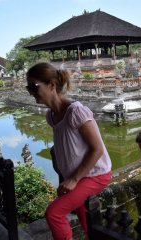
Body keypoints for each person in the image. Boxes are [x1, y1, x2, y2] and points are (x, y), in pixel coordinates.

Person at [26, 62, 112, 240]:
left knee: (54, 213)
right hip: (77, 176)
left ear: (52, 85)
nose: (31, 92)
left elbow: (97, 149)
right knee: (84, 219)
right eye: (29, 88)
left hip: (95, 174)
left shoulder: (76, 111)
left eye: (34, 87)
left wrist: (73, 179)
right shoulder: (51, 116)